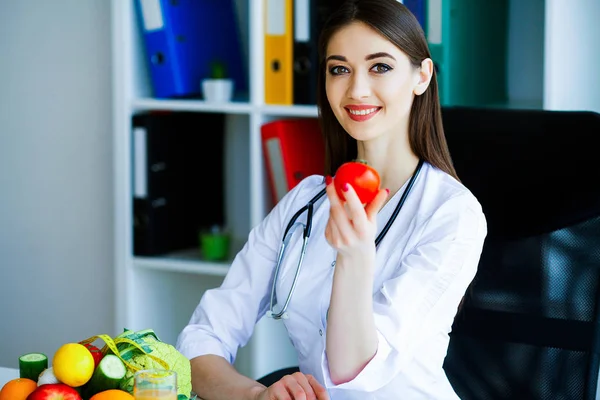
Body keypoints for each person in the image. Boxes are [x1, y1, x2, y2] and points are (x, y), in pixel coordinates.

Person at [176, 0, 487, 398]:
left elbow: (354, 372)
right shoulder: (305, 202)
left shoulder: (452, 214)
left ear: (421, 76)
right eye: (339, 69)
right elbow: (202, 339)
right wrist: (256, 395)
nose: (356, 89)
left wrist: (355, 257)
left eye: (380, 67)